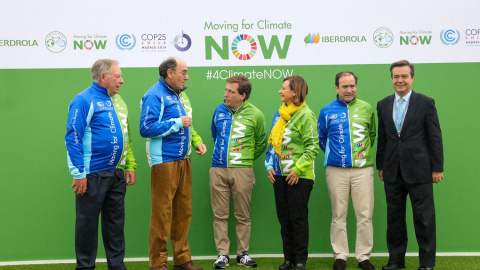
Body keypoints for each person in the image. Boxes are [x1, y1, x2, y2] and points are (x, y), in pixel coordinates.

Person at [65, 59, 137, 270]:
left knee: (115, 225)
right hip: (92, 175)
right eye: (118, 76)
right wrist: (78, 173)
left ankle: (117, 266)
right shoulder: (83, 100)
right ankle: (85, 267)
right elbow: (73, 137)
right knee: (87, 225)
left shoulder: (117, 100)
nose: (122, 81)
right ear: (103, 77)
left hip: (116, 174)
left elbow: (125, 135)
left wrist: (129, 165)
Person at [140, 57, 207, 270]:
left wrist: (196, 141)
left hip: (183, 159)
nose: (187, 77)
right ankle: (158, 263)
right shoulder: (154, 95)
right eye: (183, 72)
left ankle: (182, 259)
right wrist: (177, 123)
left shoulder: (181, 96)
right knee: (162, 213)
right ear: (170, 73)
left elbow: (189, 126)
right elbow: (146, 128)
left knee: (183, 211)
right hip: (164, 161)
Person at [376, 60, 444, 270]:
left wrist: (437, 168)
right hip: (392, 172)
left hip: (420, 171)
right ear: (392, 79)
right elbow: (383, 138)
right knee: (394, 220)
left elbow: (435, 137)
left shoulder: (426, 103)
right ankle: (396, 260)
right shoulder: (383, 104)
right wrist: (381, 165)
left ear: (412, 77)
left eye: (404, 76)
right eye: (396, 76)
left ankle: (426, 264)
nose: (400, 80)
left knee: (424, 220)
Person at [317, 72, 376, 270]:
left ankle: (363, 257)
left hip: (363, 169)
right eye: (344, 86)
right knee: (338, 214)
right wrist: (337, 155)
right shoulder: (326, 111)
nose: (349, 90)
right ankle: (340, 256)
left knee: (365, 214)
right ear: (337, 88)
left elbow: (372, 135)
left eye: (352, 86)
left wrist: (358, 156)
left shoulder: (367, 108)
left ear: (356, 86)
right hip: (336, 170)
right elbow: (322, 139)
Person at [210, 75, 267, 269]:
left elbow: (261, 143)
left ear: (242, 95)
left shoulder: (256, 114)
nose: (225, 94)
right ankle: (222, 255)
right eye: (226, 90)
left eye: (230, 91)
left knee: (243, 215)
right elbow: (214, 136)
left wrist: (245, 160)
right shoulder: (218, 111)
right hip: (218, 168)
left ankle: (243, 254)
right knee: (220, 215)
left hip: (243, 170)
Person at [265, 76, 319, 270]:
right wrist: (269, 166)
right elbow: (272, 145)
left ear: (295, 92)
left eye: (283, 88)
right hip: (279, 175)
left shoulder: (306, 115)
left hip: (300, 177)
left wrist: (297, 169)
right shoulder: (279, 115)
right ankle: (288, 259)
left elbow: (313, 147)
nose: (280, 91)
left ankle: (300, 261)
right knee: (284, 218)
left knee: (298, 218)